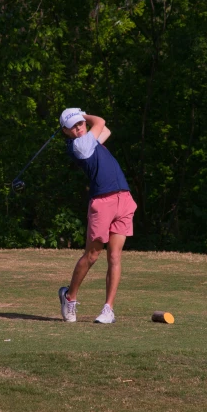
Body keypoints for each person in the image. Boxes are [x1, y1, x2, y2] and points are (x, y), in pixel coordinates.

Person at [58, 108, 137, 324]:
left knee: (115, 256)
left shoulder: (91, 141)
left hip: (124, 199)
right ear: (65, 131)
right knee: (92, 255)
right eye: (73, 126)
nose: (79, 127)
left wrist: (80, 116)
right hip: (102, 202)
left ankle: (108, 309)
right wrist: (83, 114)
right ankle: (69, 296)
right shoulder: (80, 145)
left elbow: (106, 130)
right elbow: (101, 121)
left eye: (81, 124)